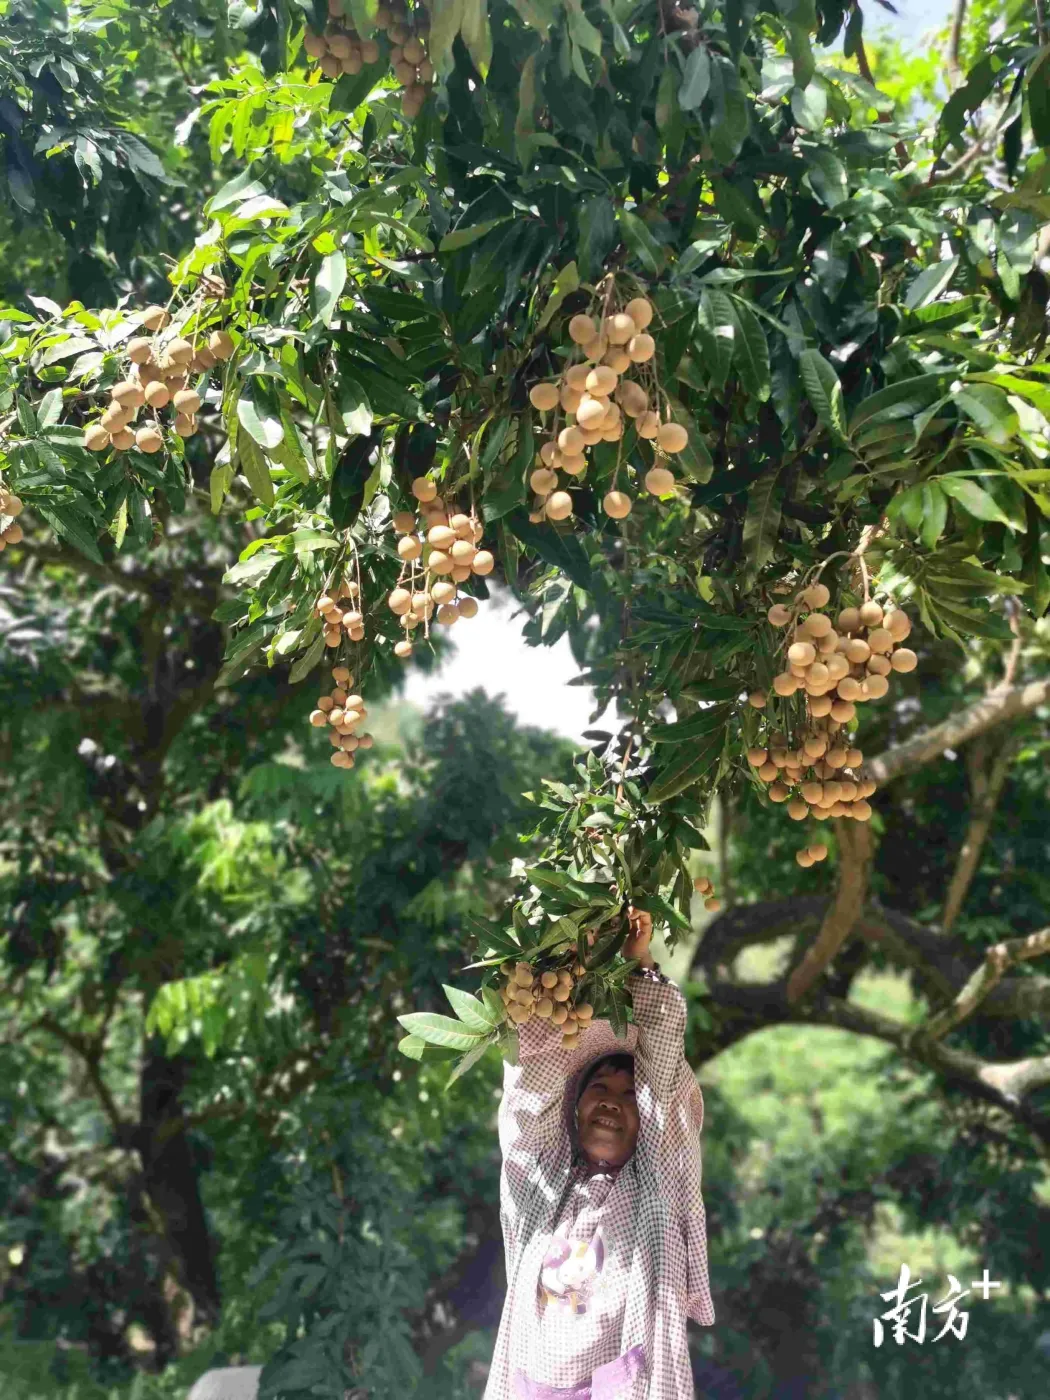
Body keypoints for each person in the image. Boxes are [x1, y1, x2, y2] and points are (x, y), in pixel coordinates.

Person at [484, 906, 714, 1400]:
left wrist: (637, 965)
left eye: (631, 1093)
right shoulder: (540, 1188)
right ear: (573, 1107)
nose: (613, 1098)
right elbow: (531, 1092)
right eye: (600, 1086)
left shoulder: (655, 1183)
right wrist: (565, 971)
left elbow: (664, 1074)